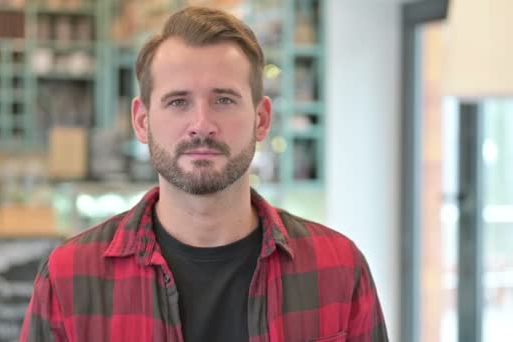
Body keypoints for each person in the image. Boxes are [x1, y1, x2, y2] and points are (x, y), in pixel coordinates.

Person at [20, 6, 388, 342]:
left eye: (224, 100)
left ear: (261, 119)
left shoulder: (338, 268)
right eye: (178, 101)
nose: (201, 125)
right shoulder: (69, 279)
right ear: (142, 121)